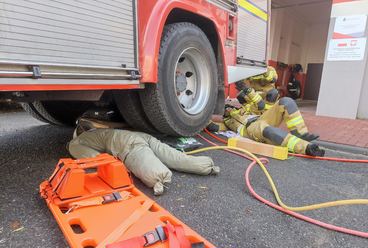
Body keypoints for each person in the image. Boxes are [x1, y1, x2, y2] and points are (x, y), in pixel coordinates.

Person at [68, 119, 220, 196]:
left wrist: (115, 162)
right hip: (140, 137)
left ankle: (160, 182)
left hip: (127, 144)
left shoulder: (76, 142)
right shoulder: (98, 132)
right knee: (177, 158)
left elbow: (96, 158)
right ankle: (208, 166)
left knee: (154, 174)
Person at [209, 83, 325, 157]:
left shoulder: (244, 109)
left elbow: (259, 105)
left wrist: (248, 91)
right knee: (268, 131)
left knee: (286, 102)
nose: (228, 109)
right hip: (250, 128)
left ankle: (301, 133)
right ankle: (306, 148)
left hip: (260, 117)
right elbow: (215, 128)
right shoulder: (226, 122)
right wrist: (205, 121)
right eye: (225, 110)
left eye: (229, 107)